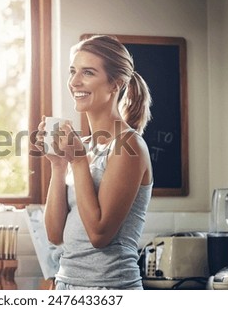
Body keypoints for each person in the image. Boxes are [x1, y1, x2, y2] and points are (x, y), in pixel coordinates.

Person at [35, 35, 153, 289]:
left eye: (87, 72)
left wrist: (77, 162)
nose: (75, 82)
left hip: (110, 288)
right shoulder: (84, 146)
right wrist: (58, 164)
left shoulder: (128, 145)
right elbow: (55, 235)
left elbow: (99, 235)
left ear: (115, 84)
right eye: (73, 71)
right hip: (66, 285)